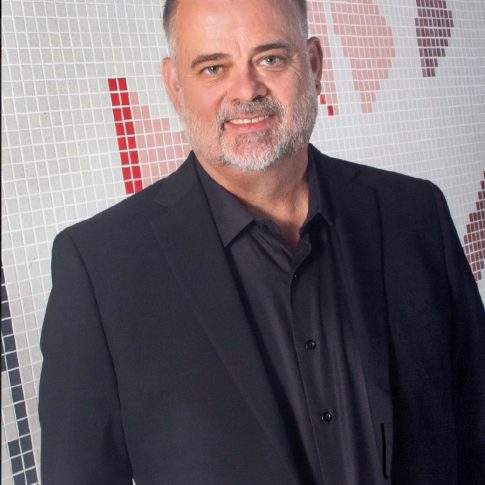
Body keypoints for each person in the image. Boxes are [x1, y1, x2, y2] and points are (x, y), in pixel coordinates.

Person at [38, 0, 485, 483]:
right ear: (174, 85)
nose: (246, 90)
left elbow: (476, 425)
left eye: (271, 58)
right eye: (213, 68)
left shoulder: (414, 213)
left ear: (312, 63)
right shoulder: (100, 269)